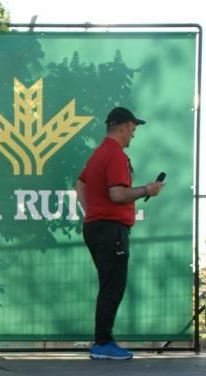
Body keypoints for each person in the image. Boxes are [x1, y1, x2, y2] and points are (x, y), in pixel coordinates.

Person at [75, 107, 165, 360]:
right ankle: (103, 343)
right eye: (133, 129)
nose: (133, 135)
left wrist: (91, 211)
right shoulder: (114, 154)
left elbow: (79, 185)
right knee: (113, 287)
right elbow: (117, 194)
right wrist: (148, 189)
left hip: (97, 226)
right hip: (110, 228)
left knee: (109, 285)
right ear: (124, 126)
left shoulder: (98, 154)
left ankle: (103, 342)